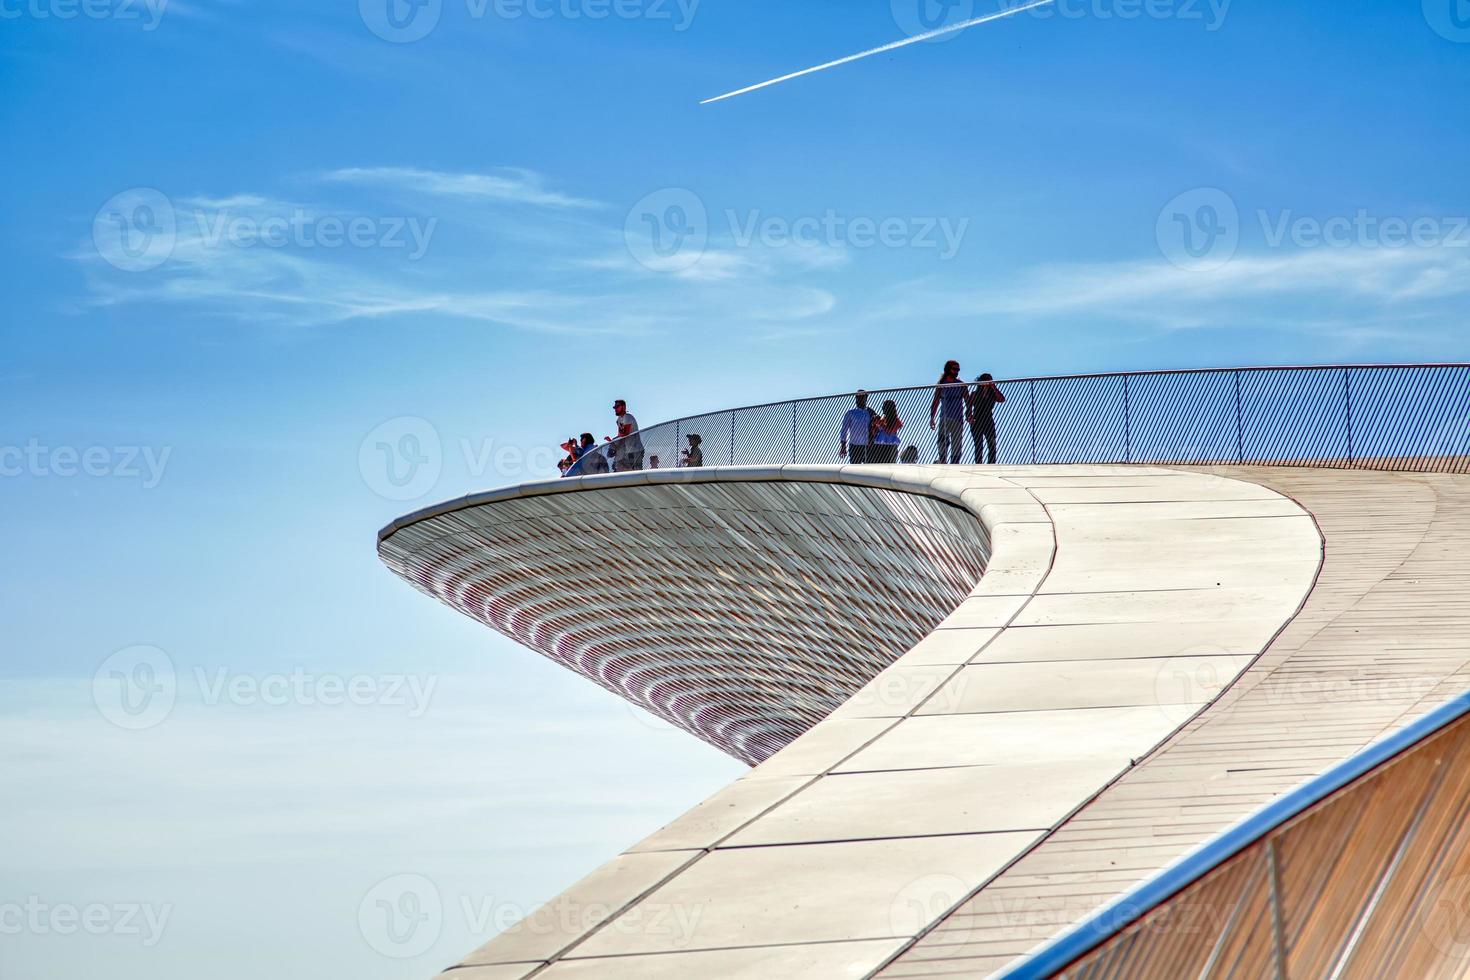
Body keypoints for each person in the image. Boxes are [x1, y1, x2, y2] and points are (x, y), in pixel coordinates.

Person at [929, 360, 966, 464]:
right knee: (942, 442)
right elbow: (935, 401)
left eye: (958, 370)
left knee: (957, 445)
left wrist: (969, 414)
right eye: (954, 369)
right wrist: (932, 418)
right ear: (948, 369)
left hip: (958, 419)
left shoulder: (961, 385)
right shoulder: (941, 384)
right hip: (944, 418)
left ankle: (954, 465)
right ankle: (943, 462)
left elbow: (967, 401)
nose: (957, 372)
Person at [967, 373, 1006, 464]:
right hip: (977, 421)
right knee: (978, 446)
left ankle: (991, 464)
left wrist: (994, 387)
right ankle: (979, 465)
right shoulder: (975, 394)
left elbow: (1002, 399)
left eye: (990, 380)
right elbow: (968, 407)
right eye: (986, 380)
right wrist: (969, 417)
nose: (988, 382)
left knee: (992, 445)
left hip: (988, 421)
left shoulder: (992, 394)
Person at [840, 390, 877, 464]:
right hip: (854, 446)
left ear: (866, 398)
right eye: (859, 397)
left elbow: (876, 427)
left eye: (863, 397)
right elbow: (844, 430)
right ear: (856, 398)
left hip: (868, 446)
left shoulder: (870, 412)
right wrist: (843, 446)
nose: (861, 399)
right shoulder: (850, 413)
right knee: (855, 470)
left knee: (869, 470)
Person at [608, 399, 644, 471]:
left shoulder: (628, 417)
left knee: (637, 472)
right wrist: (612, 441)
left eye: (617, 407)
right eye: (615, 408)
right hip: (629, 451)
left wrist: (614, 441)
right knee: (631, 472)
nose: (615, 409)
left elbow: (625, 433)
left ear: (624, 407)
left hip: (636, 450)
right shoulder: (618, 420)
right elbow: (620, 435)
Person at [871, 399, 903, 463]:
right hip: (879, 447)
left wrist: (879, 423)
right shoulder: (882, 419)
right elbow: (876, 433)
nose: (882, 408)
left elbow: (889, 431)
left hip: (890, 447)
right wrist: (874, 425)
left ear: (889, 408)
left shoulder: (896, 420)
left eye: (884, 406)